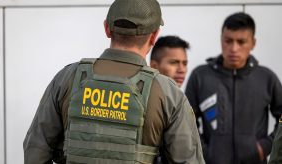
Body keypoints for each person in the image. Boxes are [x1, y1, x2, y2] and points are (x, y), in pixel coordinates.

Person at [23, 0, 205, 163]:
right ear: (154, 36)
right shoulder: (167, 93)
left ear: (107, 28)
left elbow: (35, 150)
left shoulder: (67, 78)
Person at [185, 12, 282, 164]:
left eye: (241, 42)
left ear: (253, 43)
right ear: (221, 40)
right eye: (228, 41)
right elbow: (187, 122)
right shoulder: (200, 76)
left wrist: (265, 147)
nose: (234, 48)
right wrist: (204, 151)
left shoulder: (267, 78)